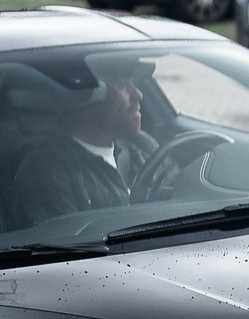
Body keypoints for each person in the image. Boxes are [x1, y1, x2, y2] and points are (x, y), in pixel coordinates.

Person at [12, 74, 159, 226]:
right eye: (123, 86)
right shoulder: (45, 169)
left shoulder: (142, 143)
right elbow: (67, 242)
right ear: (83, 100)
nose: (139, 95)